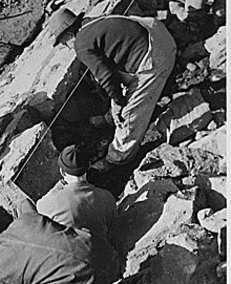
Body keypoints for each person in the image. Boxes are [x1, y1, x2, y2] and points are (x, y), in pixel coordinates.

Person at [49, 8, 176, 172]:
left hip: (155, 57)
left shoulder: (81, 44)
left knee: (129, 115)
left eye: (64, 43)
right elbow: (112, 72)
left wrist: (118, 104)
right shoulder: (95, 21)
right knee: (120, 85)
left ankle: (117, 158)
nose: (67, 47)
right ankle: (110, 118)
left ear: (67, 36)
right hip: (160, 36)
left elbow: (107, 77)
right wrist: (115, 102)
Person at [36, 145, 117, 242]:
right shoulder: (107, 198)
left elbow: (39, 207)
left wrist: (59, 186)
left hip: (67, 251)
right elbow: (113, 227)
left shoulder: (50, 203)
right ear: (87, 168)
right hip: (101, 250)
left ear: (62, 172)